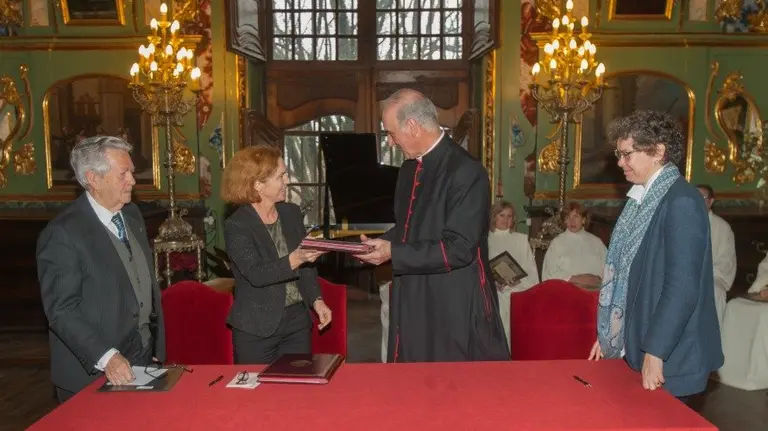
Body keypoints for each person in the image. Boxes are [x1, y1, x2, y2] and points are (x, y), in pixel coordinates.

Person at [356, 88, 509, 362]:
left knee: (450, 389)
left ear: (412, 126)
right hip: (413, 291)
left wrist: (395, 253)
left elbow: (460, 248)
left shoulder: (466, 171)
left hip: (453, 299)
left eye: (392, 133)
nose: (391, 142)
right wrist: (382, 243)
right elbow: (409, 228)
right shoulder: (408, 169)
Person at [588, 110, 724, 402]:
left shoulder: (682, 201)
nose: (620, 162)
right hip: (641, 343)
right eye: (618, 154)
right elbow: (628, 273)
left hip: (672, 356)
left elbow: (682, 287)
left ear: (658, 151)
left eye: (627, 154)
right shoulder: (643, 199)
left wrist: (656, 351)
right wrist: (611, 334)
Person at [36, 136, 165, 403]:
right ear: (93, 178)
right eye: (123, 173)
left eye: (131, 171)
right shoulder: (63, 233)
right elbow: (62, 311)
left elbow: (141, 284)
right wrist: (108, 357)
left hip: (141, 361)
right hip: (93, 373)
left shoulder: (132, 215)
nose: (132, 180)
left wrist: (151, 347)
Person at [221, 145, 332, 364]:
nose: (287, 181)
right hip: (256, 329)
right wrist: (296, 258)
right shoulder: (237, 225)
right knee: (256, 397)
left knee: (297, 394)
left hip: (297, 325)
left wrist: (317, 301)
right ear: (258, 184)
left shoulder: (291, 213)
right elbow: (256, 274)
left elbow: (307, 269)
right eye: (281, 176)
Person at [488, 201, 540, 350]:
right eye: (501, 215)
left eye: (509, 216)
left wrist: (517, 282)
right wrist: (494, 283)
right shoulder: (485, 239)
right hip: (493, 293)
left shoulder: (521, 239)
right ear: (493, 217)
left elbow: (531, 270)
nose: (505, 220)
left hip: (516, 291)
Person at [696, 184, 737, 328]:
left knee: (714, 291)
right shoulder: (683, 222)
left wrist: (703, 275)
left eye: (702, 197)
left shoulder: (722, 227)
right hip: (685, 276)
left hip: (712, 277)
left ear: (711, 201)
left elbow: (726, 260)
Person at [542, 202, 607, 288]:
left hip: (594, 292)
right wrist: (575, 278)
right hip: (566, 292)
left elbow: (608, 269)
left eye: (575, 216)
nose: (571, 221)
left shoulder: (596, 242)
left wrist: (596, 280)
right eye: (568, 217)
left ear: (583, 219)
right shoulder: (557, 243)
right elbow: (549, 272)